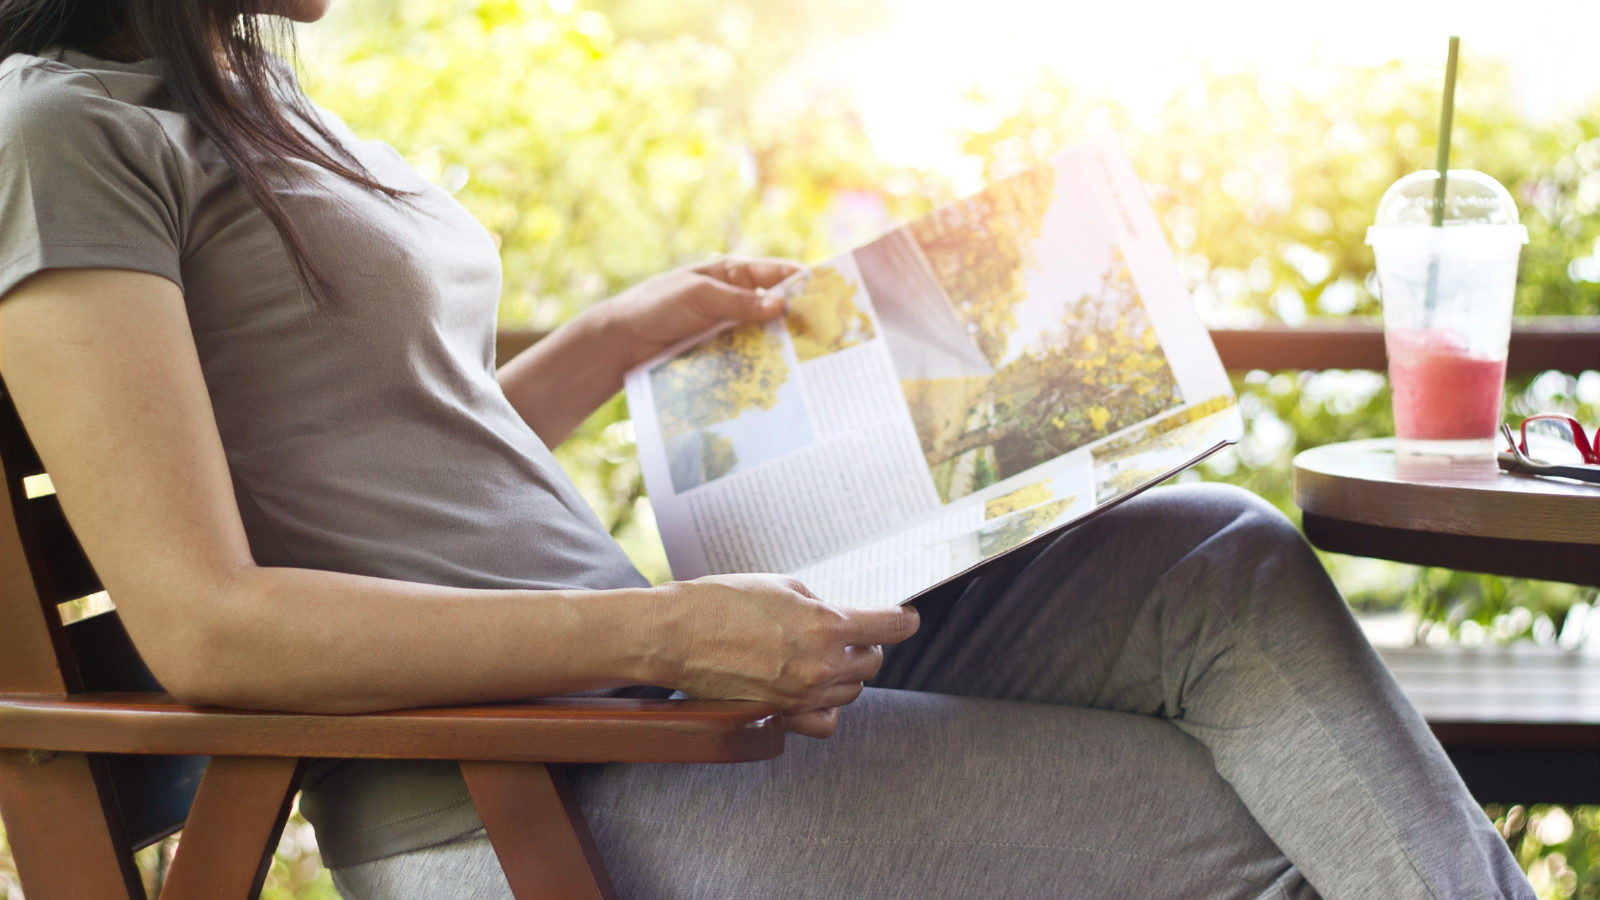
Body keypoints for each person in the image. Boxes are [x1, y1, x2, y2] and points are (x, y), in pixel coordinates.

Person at [0, 0, 1536, 895]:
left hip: (635, 696)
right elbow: (204, 622)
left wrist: (614, 338)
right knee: (1284, 853)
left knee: (1223, 561)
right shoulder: (63, 132)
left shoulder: (257, 92)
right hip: (535, 782)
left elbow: (390, 468)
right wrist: (670, 626)